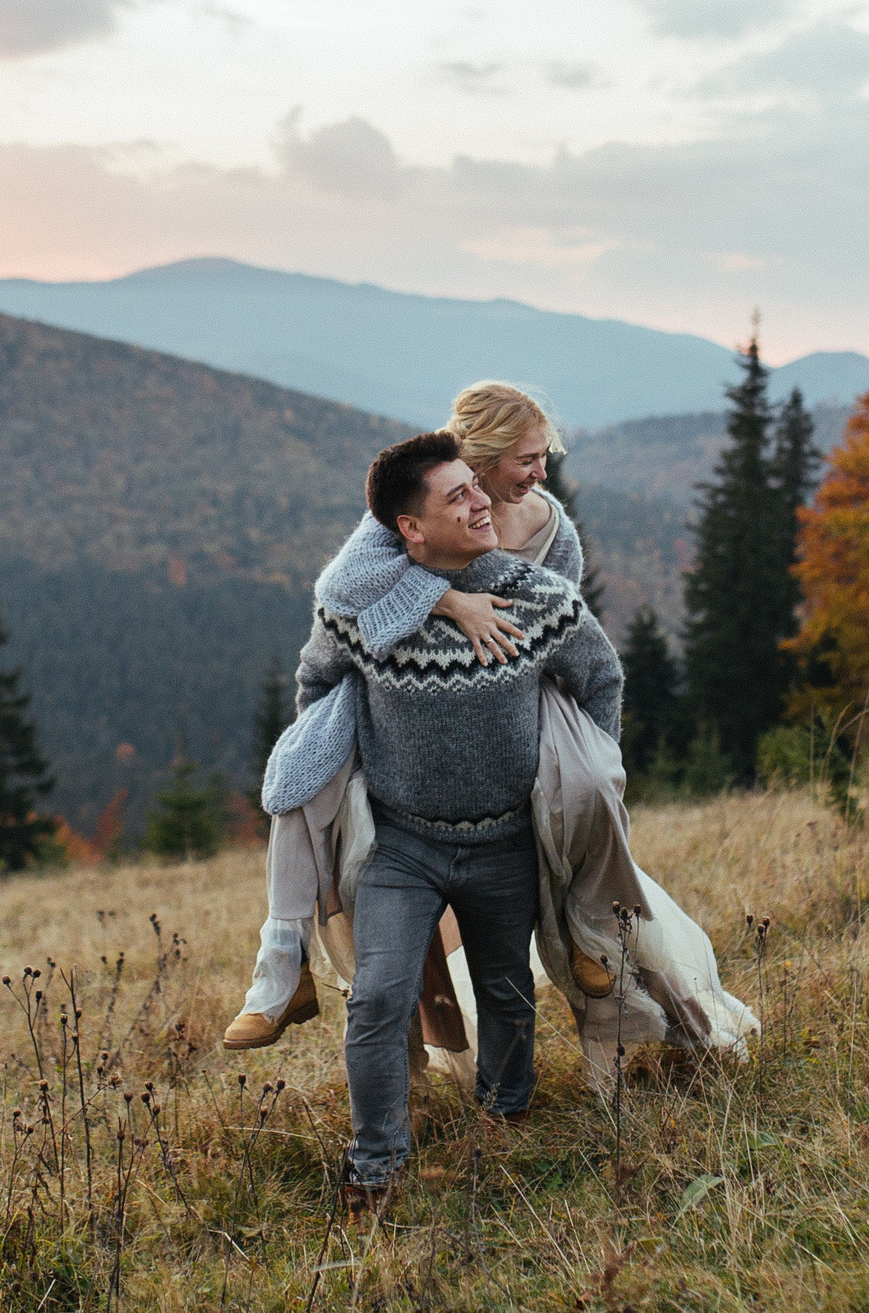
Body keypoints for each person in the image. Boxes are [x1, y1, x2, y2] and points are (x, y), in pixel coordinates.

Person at [286, 430, 623, 1207]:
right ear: (410, 527)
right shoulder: (360, 608)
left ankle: (503, 1120)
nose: (482, 502)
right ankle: (376, 1164)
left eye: (478, 486)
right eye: (458, 496)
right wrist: (338, 770)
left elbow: (600, 676)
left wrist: (590, 779)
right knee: (378, 997)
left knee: (507, 992)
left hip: (506, 838)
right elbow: (317, 679)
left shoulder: (534, 594)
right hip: (402, 845)